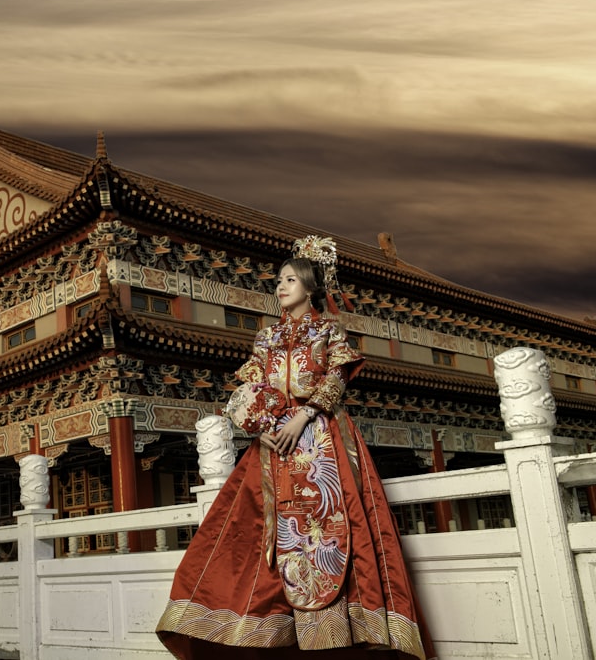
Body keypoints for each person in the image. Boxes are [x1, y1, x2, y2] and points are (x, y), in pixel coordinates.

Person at [156, 236, 436, 660]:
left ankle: (341, 634)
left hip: (321, 436)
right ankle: (268, 634)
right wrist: (260, 426)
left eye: (290, 279)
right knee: (253, 534)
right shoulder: (266, 338)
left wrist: (305, 415)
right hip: (274, 448)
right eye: (279, 280)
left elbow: (338, 378)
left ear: (310, 286)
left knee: (341, 529)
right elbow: (249, 385)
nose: (281, 287)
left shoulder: (327, 331)